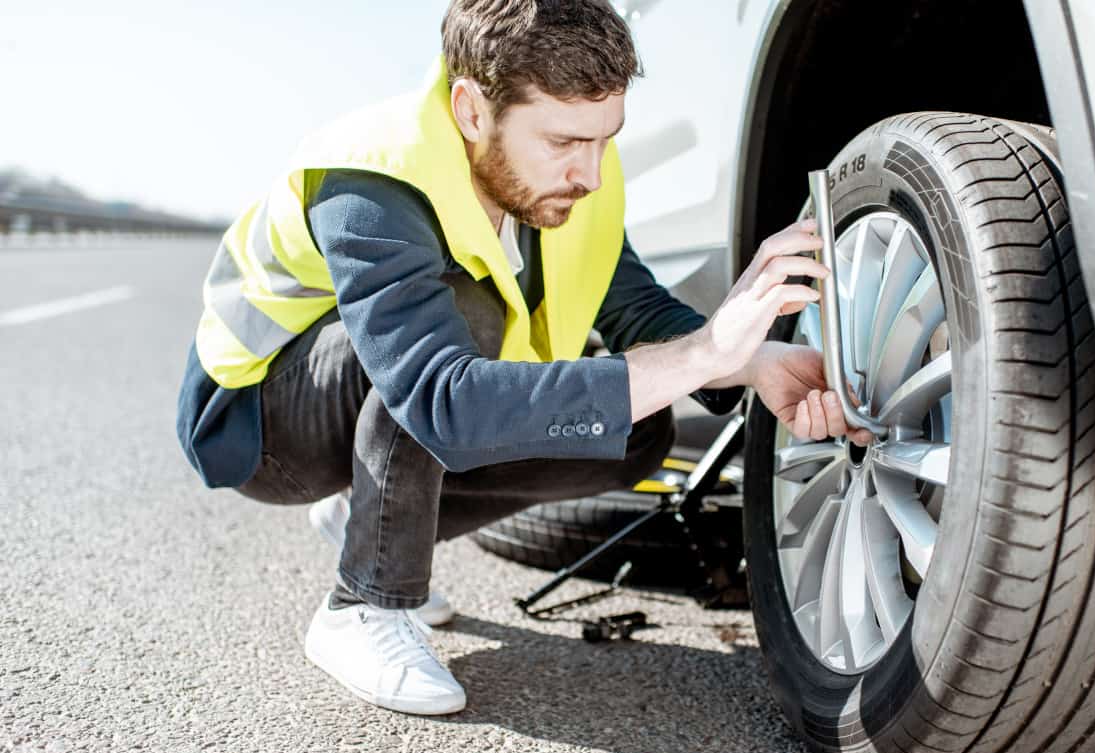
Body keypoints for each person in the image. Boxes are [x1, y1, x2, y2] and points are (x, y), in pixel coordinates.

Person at [175, 0, 872, 716]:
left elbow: (637, 312)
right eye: (565, 141)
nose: (591, 174)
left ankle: (369, 510)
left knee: (639, 425)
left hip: (391, 393)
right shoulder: (372, 178)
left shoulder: (573, 186)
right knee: (468, 319)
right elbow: (441, 401)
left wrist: (749, 363)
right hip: (260, 422)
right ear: (472, 110)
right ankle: (364, 607)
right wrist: (703, 351)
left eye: (604, 140)